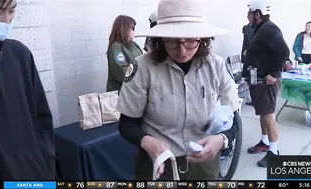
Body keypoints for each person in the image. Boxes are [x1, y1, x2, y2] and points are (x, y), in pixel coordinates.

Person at [117, 0, 241, 180]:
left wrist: (223, 139)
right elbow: (126, 123)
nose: (182, 51)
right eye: (173, 42)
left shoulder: (216, 66)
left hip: (204, 167)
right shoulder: (142, 68)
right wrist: (147, 142)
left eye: (191, 41)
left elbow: (234, 118)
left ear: (203, 38)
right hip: (158, 166)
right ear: (160, 39)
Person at [0, 0, 56, 180]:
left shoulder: (20, 54)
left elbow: (43, 116)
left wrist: (47, 158)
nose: (6, 21)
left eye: (11, 11)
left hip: (38, 174)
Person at [241, 0, 289, 167]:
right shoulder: (258, 28)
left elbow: (284, 51)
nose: (247, 15)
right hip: (258, 79)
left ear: (258, 14)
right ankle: (264, 142)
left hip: (267, 80)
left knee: (269, 115)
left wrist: (274, 74)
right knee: (263, 114)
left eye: (250, 13)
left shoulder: (269, 29)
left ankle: (274, 153)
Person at [106, 15, 143, 92]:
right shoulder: (116, 48)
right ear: (124, 29)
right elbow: (123, 73)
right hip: (121, 93)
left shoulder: (133, 45)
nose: (134, 32)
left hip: (135, 90)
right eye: (132, 28)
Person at [241, 21, 254, 106]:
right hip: (249, 57)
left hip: (255, 58)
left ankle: (254, 98)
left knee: (253, 78)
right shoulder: (246, 28)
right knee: (251, 77)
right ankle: (252, 98)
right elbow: (245, 44)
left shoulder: (261, 29)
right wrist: (243, 57)